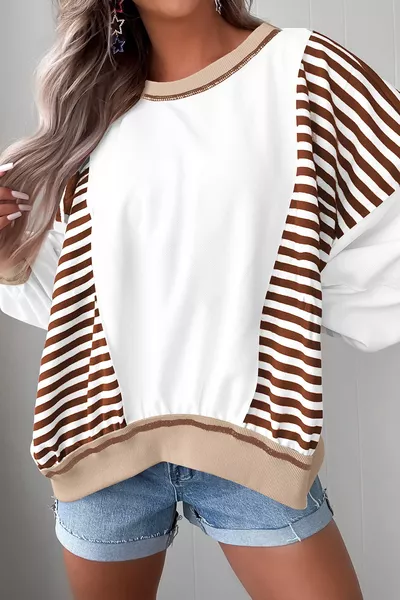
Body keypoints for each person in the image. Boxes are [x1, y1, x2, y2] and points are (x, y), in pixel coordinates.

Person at [0, 1, 399, 598]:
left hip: (259, 442)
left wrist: (294, 302)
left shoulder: (305, 70)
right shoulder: (86, 105)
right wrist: (9, 253)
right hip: (101, 443)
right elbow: (75, 299)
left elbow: (385, 226)